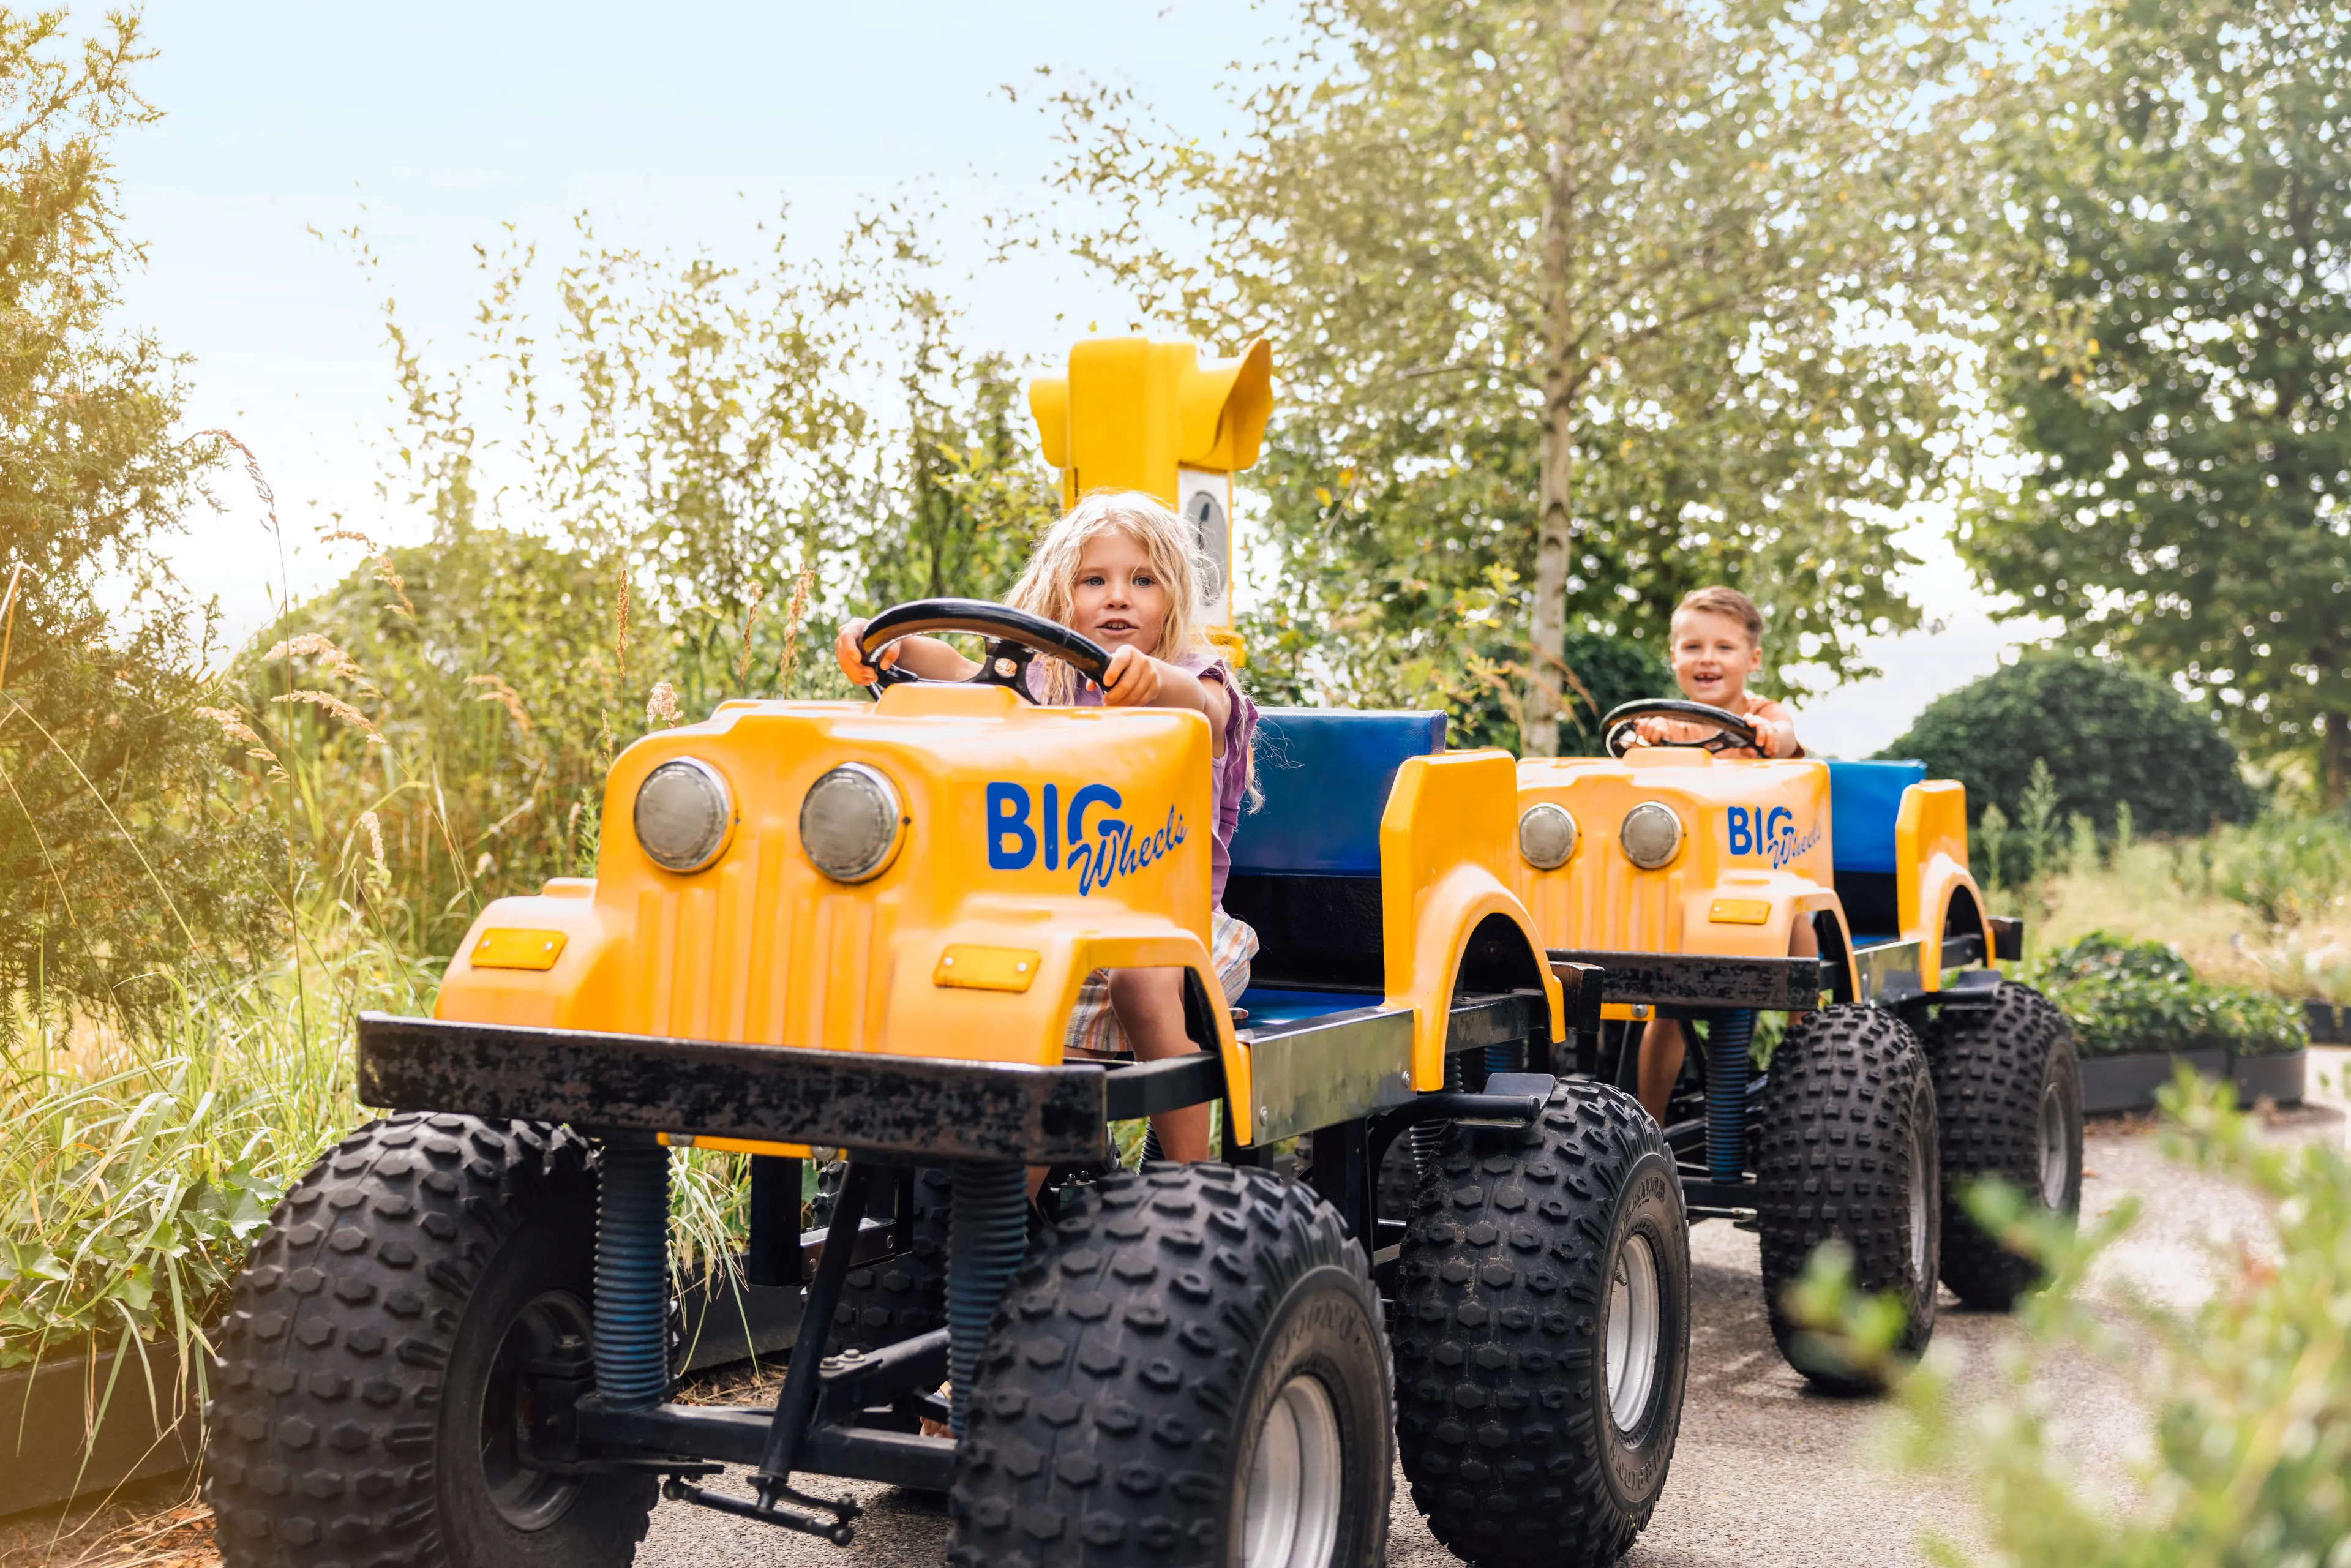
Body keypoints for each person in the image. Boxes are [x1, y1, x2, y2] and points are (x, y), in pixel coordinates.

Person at [835, 489, 1257, 1163]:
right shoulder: (1040, 682)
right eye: (1096, 580)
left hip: (1179, 923)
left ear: (1172, 598)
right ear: (1063, 597)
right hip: (1055, 927)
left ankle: (1186, 1176)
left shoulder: (1190, 680)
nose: (1119, 597)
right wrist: (881, 640)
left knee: (1138, 978)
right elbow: (945, 667)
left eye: (1142, 580)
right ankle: (1010, 1213)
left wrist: (1155, 681)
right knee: (981, 982)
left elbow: (1205, 709)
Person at [1632, 586, 1815, 1123]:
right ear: (1674, 657)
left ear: (1752, 659)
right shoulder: (1668, 722)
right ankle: (1650, 1121)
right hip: (1690, 884)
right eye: (1692, 647)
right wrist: (1643, 741)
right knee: (1667, 1007)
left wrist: (1766, 736)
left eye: (1724, 648)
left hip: (1762, 869)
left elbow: (1784, 737)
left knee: (1798, 923)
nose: (1706, 658)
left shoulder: (1761, 714)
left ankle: (1813, 1056)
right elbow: (1634, 761)